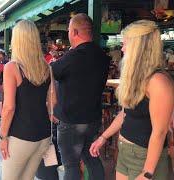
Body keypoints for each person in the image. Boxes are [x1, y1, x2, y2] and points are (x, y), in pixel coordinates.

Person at [90, 20, 174, 180]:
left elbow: (160, 131)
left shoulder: (158, 81)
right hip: (125, 150)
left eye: (125, 44)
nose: (122, 48)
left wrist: (148, 172)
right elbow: (125, 114)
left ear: (139, 46)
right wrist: (103, 137)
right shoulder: (137, 77)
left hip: (144, 156)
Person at [51, 13, 110, 180]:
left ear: (75, 32)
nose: (68, 34)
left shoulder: (73, 56)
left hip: (71, 121)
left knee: (71, 165)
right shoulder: (102, 55)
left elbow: (52, 71)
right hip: (93, 118)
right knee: (92, 158)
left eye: (69, 30)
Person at [0, 20, 57, 180]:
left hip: (20, 136)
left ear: (17, 40)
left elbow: (9, 107)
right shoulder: (47, 67)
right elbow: (54, 101)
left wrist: (3, 137)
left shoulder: (12, 67)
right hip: (43, 136)